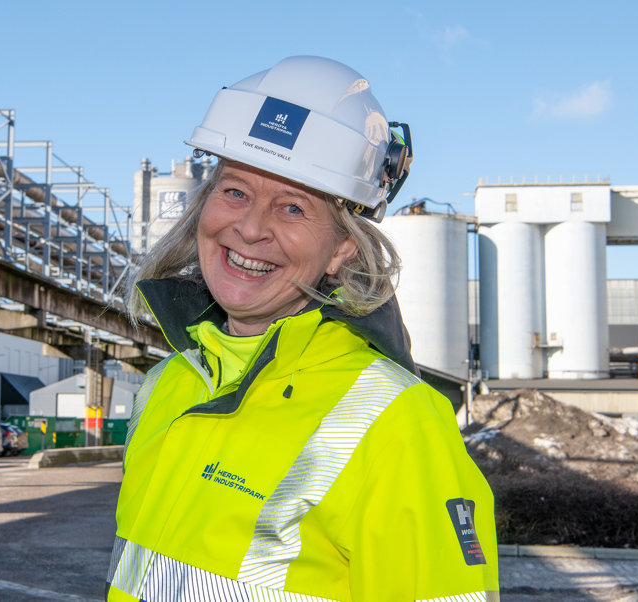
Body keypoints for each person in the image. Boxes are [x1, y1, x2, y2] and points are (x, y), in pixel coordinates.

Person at [108, 56, 498, 602]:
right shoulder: (169, 385)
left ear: (342, 248)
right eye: (235, 191)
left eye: (292, 207)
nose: (248, 228)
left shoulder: (398, 423)